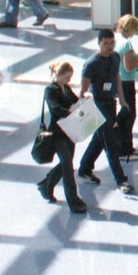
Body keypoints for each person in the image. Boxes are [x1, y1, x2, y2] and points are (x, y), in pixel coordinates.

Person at [78, 29, 133, 194]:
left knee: (99, 139)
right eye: (105, 44)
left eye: (111, 43)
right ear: (99, 43)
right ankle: (120, 179)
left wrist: (122, 100)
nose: (109, 47)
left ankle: (84, 168)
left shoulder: (116, 57)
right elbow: (83, 91)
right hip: (97, 105)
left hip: (111, 103)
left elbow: (117, 77)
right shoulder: (91, 64)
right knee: (110, 142)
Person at [37, 60, 89, 213]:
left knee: (66, 163)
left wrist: (83, 101)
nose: (69, 81)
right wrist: (70, 111)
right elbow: (55, 109)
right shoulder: (50, 90)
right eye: (66, 77)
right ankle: (73, 200)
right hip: (58, 132)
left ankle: (46, 185)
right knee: (67, 165)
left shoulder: (65, 88)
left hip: (69, 131)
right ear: (58, 75)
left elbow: (75, 101)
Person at [113, 13, 138, 159]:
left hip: (120, 80)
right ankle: (124, 148)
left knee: (127, 113)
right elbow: (129, 66)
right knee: (129, 114)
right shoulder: (126, 44)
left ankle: (127, 145)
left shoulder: (117, 39)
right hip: (127, 81)